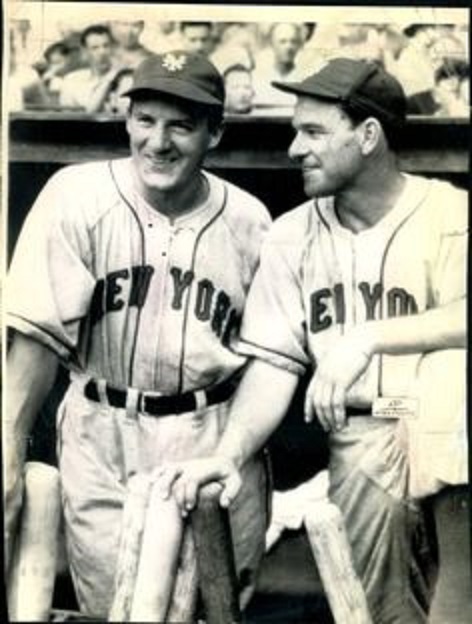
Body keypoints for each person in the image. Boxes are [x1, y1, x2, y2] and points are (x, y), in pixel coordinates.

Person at [157, 57, 468, 623]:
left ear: (368, 135)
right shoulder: (293, 234)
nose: (295, 148)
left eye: (314, 131)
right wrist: (227, 455)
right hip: (363, 433)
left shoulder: (450, 212)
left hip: (448, 443)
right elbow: (274, 365)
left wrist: (369, 337)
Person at [4, 51, 271, 618]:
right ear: (126, 121)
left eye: (181, 124)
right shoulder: (74, 196)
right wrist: (8, 444)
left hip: (211, 431)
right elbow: (34, 341)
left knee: (217, 612)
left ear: (215, 133)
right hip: (105, 435)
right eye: (145, 120)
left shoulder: (251, 222)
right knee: (116, 606)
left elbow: (273, 361)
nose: (158, 141)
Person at [59, 24, 122, 113]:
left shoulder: (125, 79)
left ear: (113, 48)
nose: (102, 52)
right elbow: (68, 118)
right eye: (95, 48)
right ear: (85, 51)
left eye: (106, 46)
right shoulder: (71, 80)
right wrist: (110, 78)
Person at [252, 22, 305, 107]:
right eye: (282, 41)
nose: (289, 47)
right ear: (272, 44)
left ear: (299, 45)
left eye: (293, 41)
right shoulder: (257, 79)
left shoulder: (306, 78)